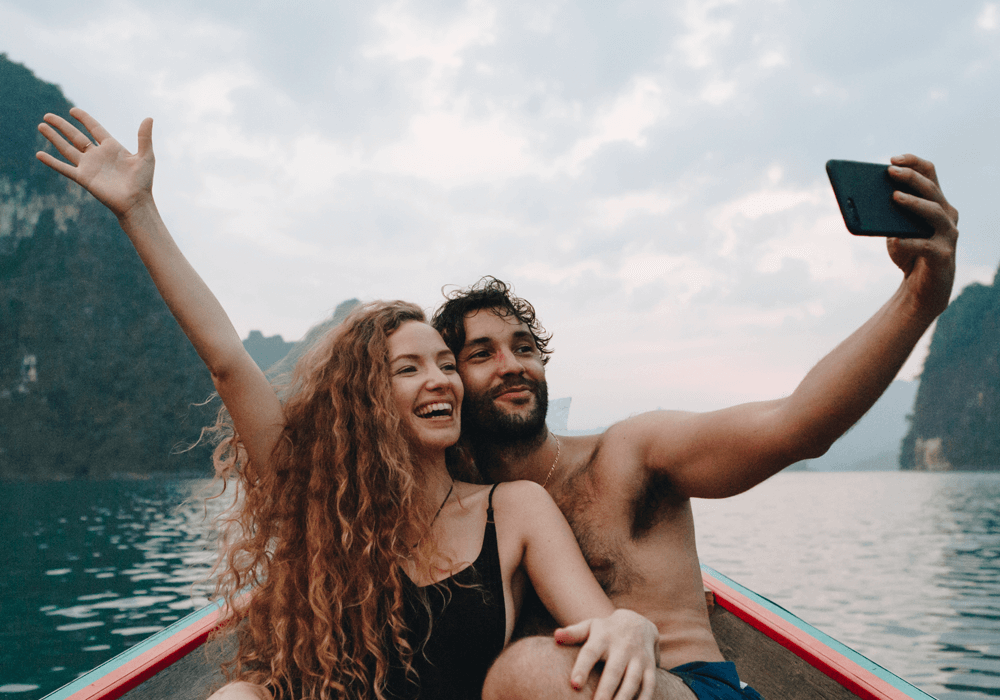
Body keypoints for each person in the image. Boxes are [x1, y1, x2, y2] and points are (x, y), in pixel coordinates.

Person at [35, 108, 662, 700]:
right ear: (366, 400)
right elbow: (227, 361)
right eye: (409, 369)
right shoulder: (317, 499)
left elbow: (600, 631)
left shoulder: (516, 510)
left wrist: (630, 626)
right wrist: (139, 211)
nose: (440, 380)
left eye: (446, 365)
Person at [431, 156, 959, 699]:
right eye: (482, 353)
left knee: (531, 670)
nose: (513, 364)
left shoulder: (628, 454)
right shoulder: (456, 500)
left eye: (524, 348)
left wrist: (918, 299)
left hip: (683, 688)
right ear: (449, 380)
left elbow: (795, 425)